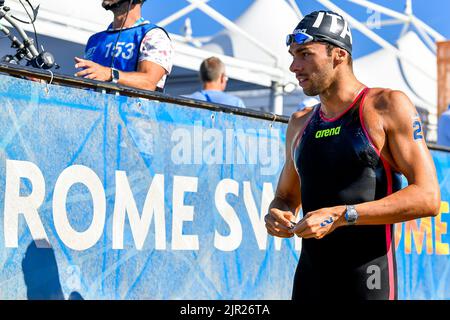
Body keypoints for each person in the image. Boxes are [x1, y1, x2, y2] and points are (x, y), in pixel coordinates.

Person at [264, 10, 440, 300]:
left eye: (305, 54)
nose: (295, 66)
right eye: (293, 55)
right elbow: (285, 197)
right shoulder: (299, 123)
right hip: (310, 280)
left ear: (339, 55)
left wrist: (342, 215)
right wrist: (276, 214)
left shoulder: (386, 107)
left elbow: (428, 197)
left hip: (368, 279)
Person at [74, 0, 173, 92]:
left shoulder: (154, 35)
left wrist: (109, 74)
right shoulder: (95, 39)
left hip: (134, 110)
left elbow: (148, 83)